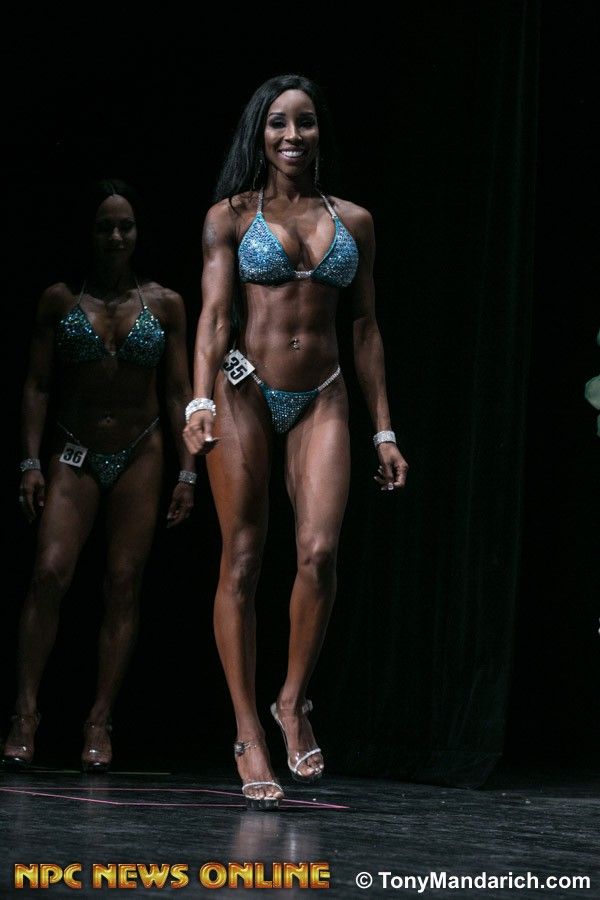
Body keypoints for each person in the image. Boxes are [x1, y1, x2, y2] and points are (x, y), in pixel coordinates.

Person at [184, 75, 408, 810]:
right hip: (245, 390)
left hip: (324, 394)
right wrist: (199, 399)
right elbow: (216, 316)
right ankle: (247, 730)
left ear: (319, 133)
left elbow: (366, 327)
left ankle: (291, 700)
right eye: (278, 123)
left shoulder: (355, 220)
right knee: (244, 557)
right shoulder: (230, 216)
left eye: (305, 123)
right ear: (260, 132)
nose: (292, 136)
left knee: (319, 552)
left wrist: (384, 429)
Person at [3, 179, 196, 772]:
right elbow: (37, 385)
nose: (116, 236)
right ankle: (25, 713)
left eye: (125, 226)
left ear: (138, 232)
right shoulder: (59, 300)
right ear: (88, 232)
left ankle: (99, 721)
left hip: (142, 449)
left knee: (123, 582)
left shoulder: (165, 304)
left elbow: (179, 391)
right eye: (104, 226)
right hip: (74, 448)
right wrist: (30, 461)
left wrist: (189, 471)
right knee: (49, 572)